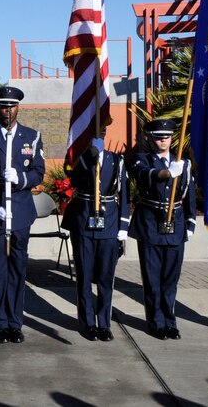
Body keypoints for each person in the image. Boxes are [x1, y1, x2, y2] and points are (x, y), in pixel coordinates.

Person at [0, 86, 45, 344]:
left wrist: (21, 178)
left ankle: (16, 323)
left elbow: (38, 172)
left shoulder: (31, 136)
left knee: (18, 269)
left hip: (22, 212)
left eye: (12, 106)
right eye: (3, 106)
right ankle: (1, 323)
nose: (7, 111)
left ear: (18, 108)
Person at [129, 119, 196, 340]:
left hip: (175, 225)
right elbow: (145, 176)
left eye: (166, 137)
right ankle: (155, 322)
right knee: (152, 278)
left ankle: (170, 321)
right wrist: (168, 173)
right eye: (158, 137)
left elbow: (190, 194)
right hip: (150, 224)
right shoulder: (141, 159)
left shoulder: (182, 163)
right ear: (150, 138)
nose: (163, 141)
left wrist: (190, 222)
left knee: (170, 279)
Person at [62, 130, 130, 342]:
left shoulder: (117, 160)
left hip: (109, 222)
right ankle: (87, 323)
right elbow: (73, 177)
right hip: (83, 222)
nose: (96, 136)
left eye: (99, 131)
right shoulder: (79, 158)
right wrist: (90, 155)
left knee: (106, 278)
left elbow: (125, 194)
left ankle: (104, 324)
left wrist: (123, 228)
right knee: (83, 276)